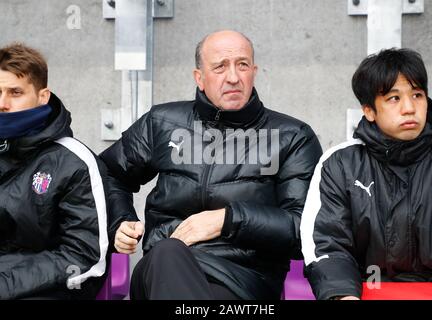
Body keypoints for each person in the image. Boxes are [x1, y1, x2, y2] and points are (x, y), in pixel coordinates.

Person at [100, 30, 322, 300]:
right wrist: (120, 221)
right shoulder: (163, 122)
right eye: (220, 67)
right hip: (161, 267)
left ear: (254, 71)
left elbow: (304, 227)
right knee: (168, 252)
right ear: (199, 78)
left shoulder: (292, 136)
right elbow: (108, 174)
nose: (233, 77)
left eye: (242, 65)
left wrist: (227, 219)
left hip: (244, 281)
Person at [300, 48, 432, 300]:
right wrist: (343, 295)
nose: (409, 108)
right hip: (363, 292)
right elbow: (327, 245)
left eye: (417, 95)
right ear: (369, 111)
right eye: (394, 98)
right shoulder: (339, 163)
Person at [0, 43, 109, 299]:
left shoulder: (73, 160)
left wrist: (5, 283)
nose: (2, 103)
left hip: (48, 289)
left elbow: (84, 257)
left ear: (42, 96)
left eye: (15, 92)